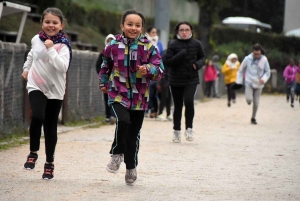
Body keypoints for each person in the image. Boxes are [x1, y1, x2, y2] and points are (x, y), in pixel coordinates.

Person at [99, 9, 164, 185]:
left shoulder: (148, 47)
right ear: (122, 26)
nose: (133, 28)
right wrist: (103, 83)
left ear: (142, 28)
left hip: (140, 97)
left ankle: (131, 166)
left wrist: (148, 69)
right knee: (124, 121)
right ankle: (117, 153)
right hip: (117, 92)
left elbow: (159, 71)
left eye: (137, 25)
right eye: (129, 24)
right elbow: (105, 65)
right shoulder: (113, 46)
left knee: (133, 135)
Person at [21, 7, 72, 179]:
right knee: (37, 116)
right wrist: (26, 69)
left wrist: (51, 49)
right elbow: (31, 55)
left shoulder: (63, 45)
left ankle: (49, 163)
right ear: (42, 23)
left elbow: (63, 67)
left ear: (61, 25)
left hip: (55, 90)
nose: (51, 25)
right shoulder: (36, 39)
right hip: (36, 84)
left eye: (55, 22)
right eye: (47, 22)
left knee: (50, 126)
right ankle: (33, 152)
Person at [164, 21, 205, 143]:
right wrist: (181, 54)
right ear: (177, 32)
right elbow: (168, 61)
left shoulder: (197, 44)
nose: (184, 32)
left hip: (191, 79)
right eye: (181, 30)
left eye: (187, 30)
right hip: (175, 79)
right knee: (177, 105)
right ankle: (176, 131)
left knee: (188, 101)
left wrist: (197, 65)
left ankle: (189, 128)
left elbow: (203, 58)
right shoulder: (173, 44)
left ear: (191, 31)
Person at [236, 43, 270, 125]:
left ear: (261, 52)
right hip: (249, 82)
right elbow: (240, 70)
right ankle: (249, 100)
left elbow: (268, 72)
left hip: (259, 84)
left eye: (258, 54)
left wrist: (264, 79)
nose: (257, 55)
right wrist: (239, 81)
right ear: (252, 52)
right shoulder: (247, 59)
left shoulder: (264, 60)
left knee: (256, 102)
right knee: (249, 100)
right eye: (255, 54)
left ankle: (253, 117)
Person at [95, 34, 116, 123]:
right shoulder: (103, 54)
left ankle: (114, 115)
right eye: (108, 40)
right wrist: (103, 76)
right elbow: (98, 66)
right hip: (107, 81)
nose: (110, 42)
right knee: (107, 98)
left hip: (116, 80)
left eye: (112, 40)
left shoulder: (118, 53)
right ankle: (108, 115)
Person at [145, 26, 163, 118]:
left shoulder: (159, 43)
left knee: (153, 91)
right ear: (148, 33)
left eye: (156, 32)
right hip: (145, 69)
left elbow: (161, 57)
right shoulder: (144, 42)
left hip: (155, 70)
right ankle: (147, 109)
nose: (154, 34)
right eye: (153, 32)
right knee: (146, 92)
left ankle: (153, 109)